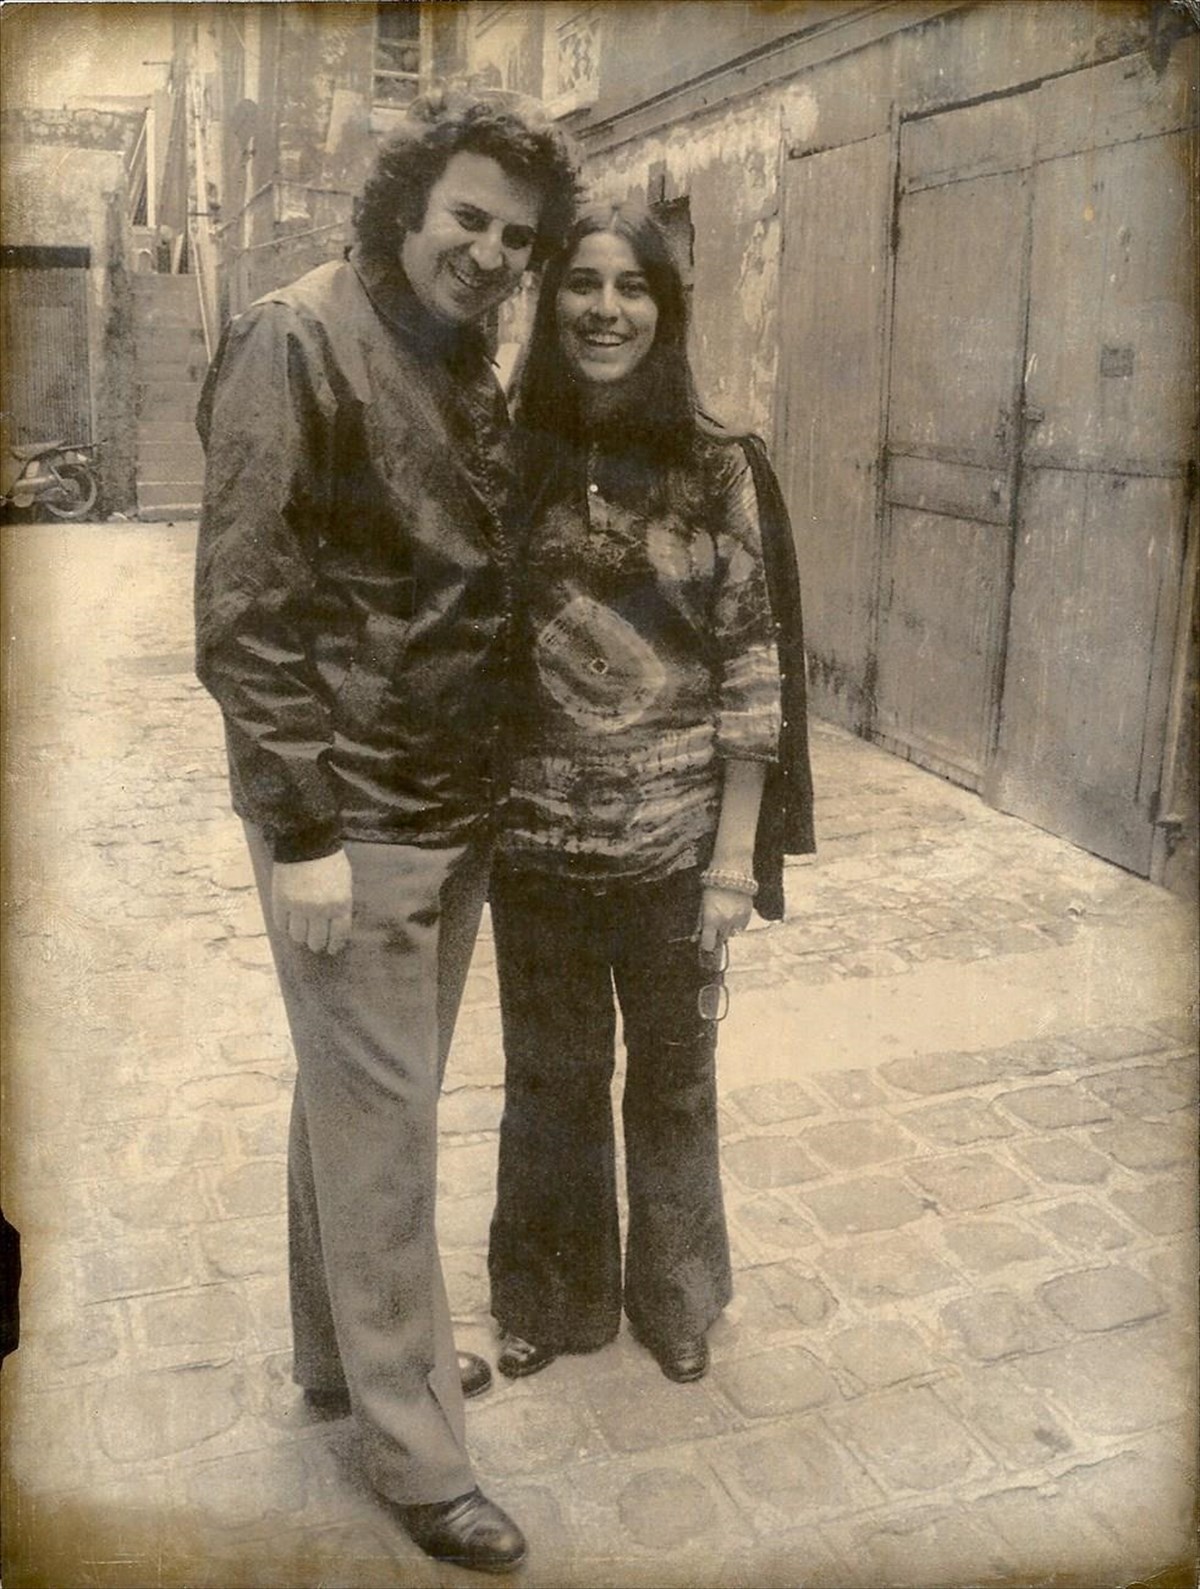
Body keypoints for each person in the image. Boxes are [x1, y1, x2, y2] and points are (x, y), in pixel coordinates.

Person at [194, 90, 577, 1574]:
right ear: (408, 205)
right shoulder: (296, 337)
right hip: (354, 811)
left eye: (517, 238)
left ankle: (343, 1357)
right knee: (388, 1124)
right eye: (468, 218)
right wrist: (302, 833)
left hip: (448, 796)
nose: (490, 254)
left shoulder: (450, 346)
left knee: (355, 1104)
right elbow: (246, 610)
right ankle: (417, 1452)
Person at [486, 203, 815, 1386]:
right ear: (550, 303)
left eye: (632, 288)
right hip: (531, 845)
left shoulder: (715, 462)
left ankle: (678, 1297)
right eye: (582, 284)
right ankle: (551, 1297)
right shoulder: (507, 456)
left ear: (664, 312)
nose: (605, 309)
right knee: (550, 1076)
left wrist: (734, 862)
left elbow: (754, 664)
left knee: (674, 1079)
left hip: (675, 847)